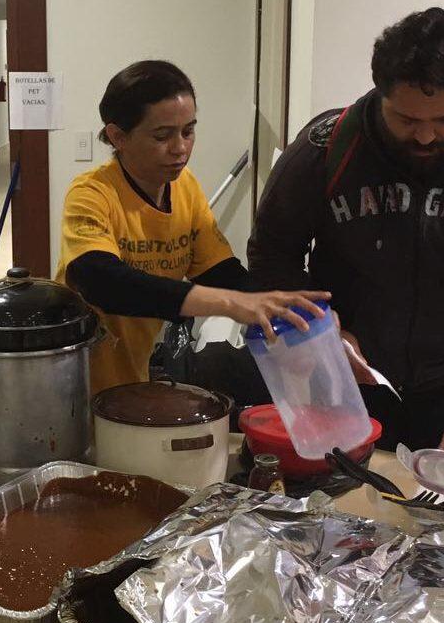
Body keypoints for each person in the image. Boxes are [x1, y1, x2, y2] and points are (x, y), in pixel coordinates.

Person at [249, 8, 444, 452]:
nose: (426, 137)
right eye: (408, 120)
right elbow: (271, 253)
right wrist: (315, 328)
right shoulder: (325, 148)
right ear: (381, 94)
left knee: (437, 513)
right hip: (339, 376)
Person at [55, 60, 328, 395]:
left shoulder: (185, 188)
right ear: (117, 136)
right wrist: (229, 305)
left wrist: (284, 312)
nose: (180, 148)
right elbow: (100, 280)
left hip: (131, 376)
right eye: (162, 135)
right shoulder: (92, 194)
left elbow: (221, 273)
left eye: (188, 131)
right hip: (72, 379)